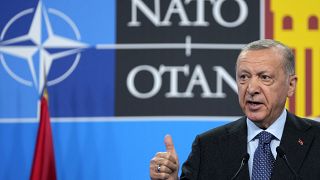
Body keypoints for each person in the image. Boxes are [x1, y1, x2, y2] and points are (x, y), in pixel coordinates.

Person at [149, 39, 320, 180]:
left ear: (291, 85)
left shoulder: (316, 139)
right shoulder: (208, 147)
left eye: (264, 77)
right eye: (244, 77)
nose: (251, 88)